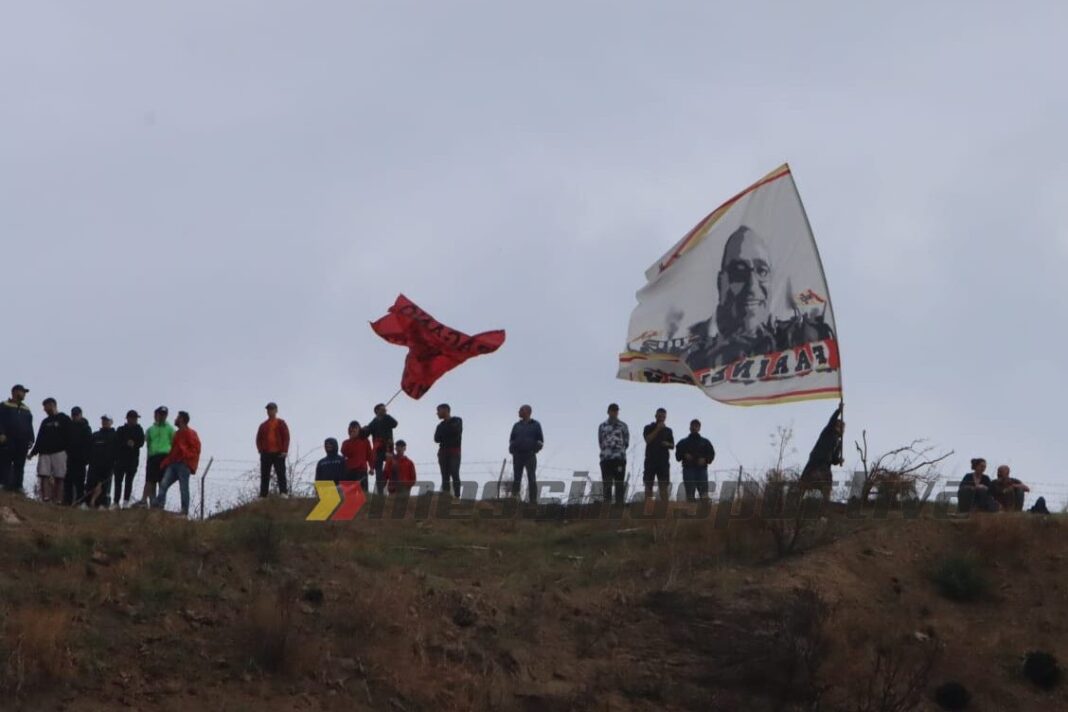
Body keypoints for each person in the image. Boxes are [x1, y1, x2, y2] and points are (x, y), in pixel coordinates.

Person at [685, 225, 834, 370]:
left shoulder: (789, 338)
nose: (752, 287)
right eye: (738, 272)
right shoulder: (691, 346)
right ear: (721, 282)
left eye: (762, 272)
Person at [153, 411, 201, 517]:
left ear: (182, 419)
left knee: (183, 487)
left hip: (184, 464)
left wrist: (186, 458)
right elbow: (173, 451)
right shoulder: (177, 434)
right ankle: (158, 505)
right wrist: (165, 462)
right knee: (164, 483)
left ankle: (184, 511)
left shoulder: (190, 433)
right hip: (173, 464)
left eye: (177, 417)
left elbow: (195, 449)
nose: (175, 419)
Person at [28, 397, 72, 503]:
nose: (44, 409)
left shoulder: (64, 418)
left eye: (45, 406)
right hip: (44, 453)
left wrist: (69, 450)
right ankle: (46, 498)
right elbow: (39, 439)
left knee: (60, 476)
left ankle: (58, 499)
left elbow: (70, 435)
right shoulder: (45, 422)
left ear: (52, 405)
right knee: (44, 475)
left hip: (60, 452)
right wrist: (33, 452)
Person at [799, 405, 844, 499]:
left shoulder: (839, 443)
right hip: (816, 461)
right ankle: (798, 498)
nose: (840, 429)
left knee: (827, 485)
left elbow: (834, 459)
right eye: (838, 426)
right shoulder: (827, 432)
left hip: (825, 465)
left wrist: (839, 460)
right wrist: (838, 411)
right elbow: (831, 421)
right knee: (804, 482)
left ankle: (825, 504)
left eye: (841, 428)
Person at [133, 407, 174, 508]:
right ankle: (147, 501)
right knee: (150, 480)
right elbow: (146, 442)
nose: (162, 416)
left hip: (165, 456)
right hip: (152, 457)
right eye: (160, 414)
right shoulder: (150, 429)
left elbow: (174, 443)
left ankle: (160, 503)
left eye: (164, 414)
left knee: (162, 481)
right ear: (156, 415)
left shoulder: (170, 429)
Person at [0, 385, 35, 493]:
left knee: (20, 464)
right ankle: (3, 484)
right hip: (7, 439)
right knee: (5, 462)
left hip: (22, 441)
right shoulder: (4, 405)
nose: (24, 394)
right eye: (22, 391)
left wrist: (31, 438)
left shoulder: (26, 409)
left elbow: (30, 424)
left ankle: (18, 486)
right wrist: (1, 433)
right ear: (15, 392)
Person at [509, 405, 544, 504]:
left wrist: (534, 450)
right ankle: (514, 500)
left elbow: (540, 441)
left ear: (528, 412)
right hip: (518, 456)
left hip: (530, 455)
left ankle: (533, 501)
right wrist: (512, 450)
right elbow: (512, 439)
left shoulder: (536, 425)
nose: (519, 411)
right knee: (516, 478)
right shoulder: (516, 425)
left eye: (521, 410)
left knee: (531, 478)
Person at [255, 402, 290, 498]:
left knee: (281, 473)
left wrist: (285, 450)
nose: (270, 411)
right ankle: (263, 495)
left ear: (276, 410)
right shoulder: (263, 425)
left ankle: (283, 492)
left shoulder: (281, 423)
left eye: (272, 409)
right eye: (268, 409)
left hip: (279, 453)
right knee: (265, 475)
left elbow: (286, 437)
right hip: (266, 453)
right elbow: (258, 439)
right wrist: (260, 450)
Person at [675, 419, 716, 501]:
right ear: (690, 427)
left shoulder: (705, 442)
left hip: (701, 470)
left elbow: (711, 454)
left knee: (704, 495)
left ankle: (704, 512)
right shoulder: (683, 442)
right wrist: (684, 455)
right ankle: (690, 512)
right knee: (690, 495)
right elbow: (677, 456)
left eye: (696, 426)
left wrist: (705, 459)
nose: (694, 427)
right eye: (693, 425)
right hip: (688, 470)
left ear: (699, 428)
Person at [598, 403, 630, 505]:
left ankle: (619, 504)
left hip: (619, 458)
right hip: (606, 459)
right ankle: (607, 504)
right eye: (612, 410)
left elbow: (626, 442)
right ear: (608, 412)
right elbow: (600, 441)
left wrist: (618, 450)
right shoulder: (602, 426)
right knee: (607, 482)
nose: (614, 412)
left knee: (619, 482)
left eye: (616, 411)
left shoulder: (623, 426)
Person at [112, 410, 145, 509]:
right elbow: (116, 442)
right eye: (133, 418)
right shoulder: (121, 429)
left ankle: (126, 501)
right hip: (120, 459)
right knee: (118, 481)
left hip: (132, 460)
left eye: (136, 418)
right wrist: (126, 443)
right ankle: (116, 502)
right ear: (128, 418)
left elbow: (141, 442)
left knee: (129, 481)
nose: (135, 420)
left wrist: (134, 444)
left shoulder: (139, 429)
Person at [363, 404, 398, 495]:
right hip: (378, 449)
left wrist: (386, 415)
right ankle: (380, 492)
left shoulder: (387, 418)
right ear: (377, 410)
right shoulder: (374, 422)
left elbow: (395, 424)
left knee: (393, 468)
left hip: (388, 448)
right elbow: (366, 433)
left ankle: (393, 490)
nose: (385, 410)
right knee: (378, 470)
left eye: (385, 409)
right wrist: (364, 429)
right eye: (382, 409)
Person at [642, 408, 674, 502]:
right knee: (648, 485)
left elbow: (672, 445)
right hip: (650, 461)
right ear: (656, 416)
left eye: (663, 416)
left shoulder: (668, 430)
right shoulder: (648, 427)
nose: (661, 418)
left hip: (663, 462)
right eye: (659, 416)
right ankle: (648, 508)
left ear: (665, 418)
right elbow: (648, 440)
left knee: (663, 486)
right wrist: (657, 429)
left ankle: (665, 509)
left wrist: (667, 444)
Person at [85, 415, 117, 509]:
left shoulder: (114, 435)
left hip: (108, 465)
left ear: (111, 422)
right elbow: (89, 448)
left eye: (107, 420)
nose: (104, 422)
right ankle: (88, 503)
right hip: (94, 464)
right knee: (91, 483)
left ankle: (103, 504)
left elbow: (117, 450)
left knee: (105, 485)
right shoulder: (95, 435)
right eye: (103, 420)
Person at [65, 406, 92, 505]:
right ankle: (67, 502)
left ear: (81, 415)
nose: (75, 417)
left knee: (80, 482)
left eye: (76, 415)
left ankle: (80, 502)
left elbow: (89, 444)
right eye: (73, 415)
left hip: (81, 460)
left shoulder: (86, 427)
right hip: (70, 458)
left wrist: (86, 458)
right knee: (68, 481)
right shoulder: (69, 427)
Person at [434, 404, 463, 497]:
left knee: (455, 473)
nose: (437, 413)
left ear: (445, 410)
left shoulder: (457, 420)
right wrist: (448, 431)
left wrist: (445, 432)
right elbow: (436, 438)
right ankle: (446, 497)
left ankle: (457, 496)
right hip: (443, 452)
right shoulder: (440, 425)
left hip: (454, 451)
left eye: (438, 410)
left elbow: (455, 430)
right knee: (445, 475)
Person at [341, 421, 373, 493]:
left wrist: (372, 467)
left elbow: (369, 455)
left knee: (363, 492)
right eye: (351, 428)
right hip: (349, 471)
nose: (353, 430)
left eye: (355, 428)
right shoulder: (346, 442)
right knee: (349, 493)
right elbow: (344, 452)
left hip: (361, 470)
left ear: (359, 429)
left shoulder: (365, 441)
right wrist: (352, 440)